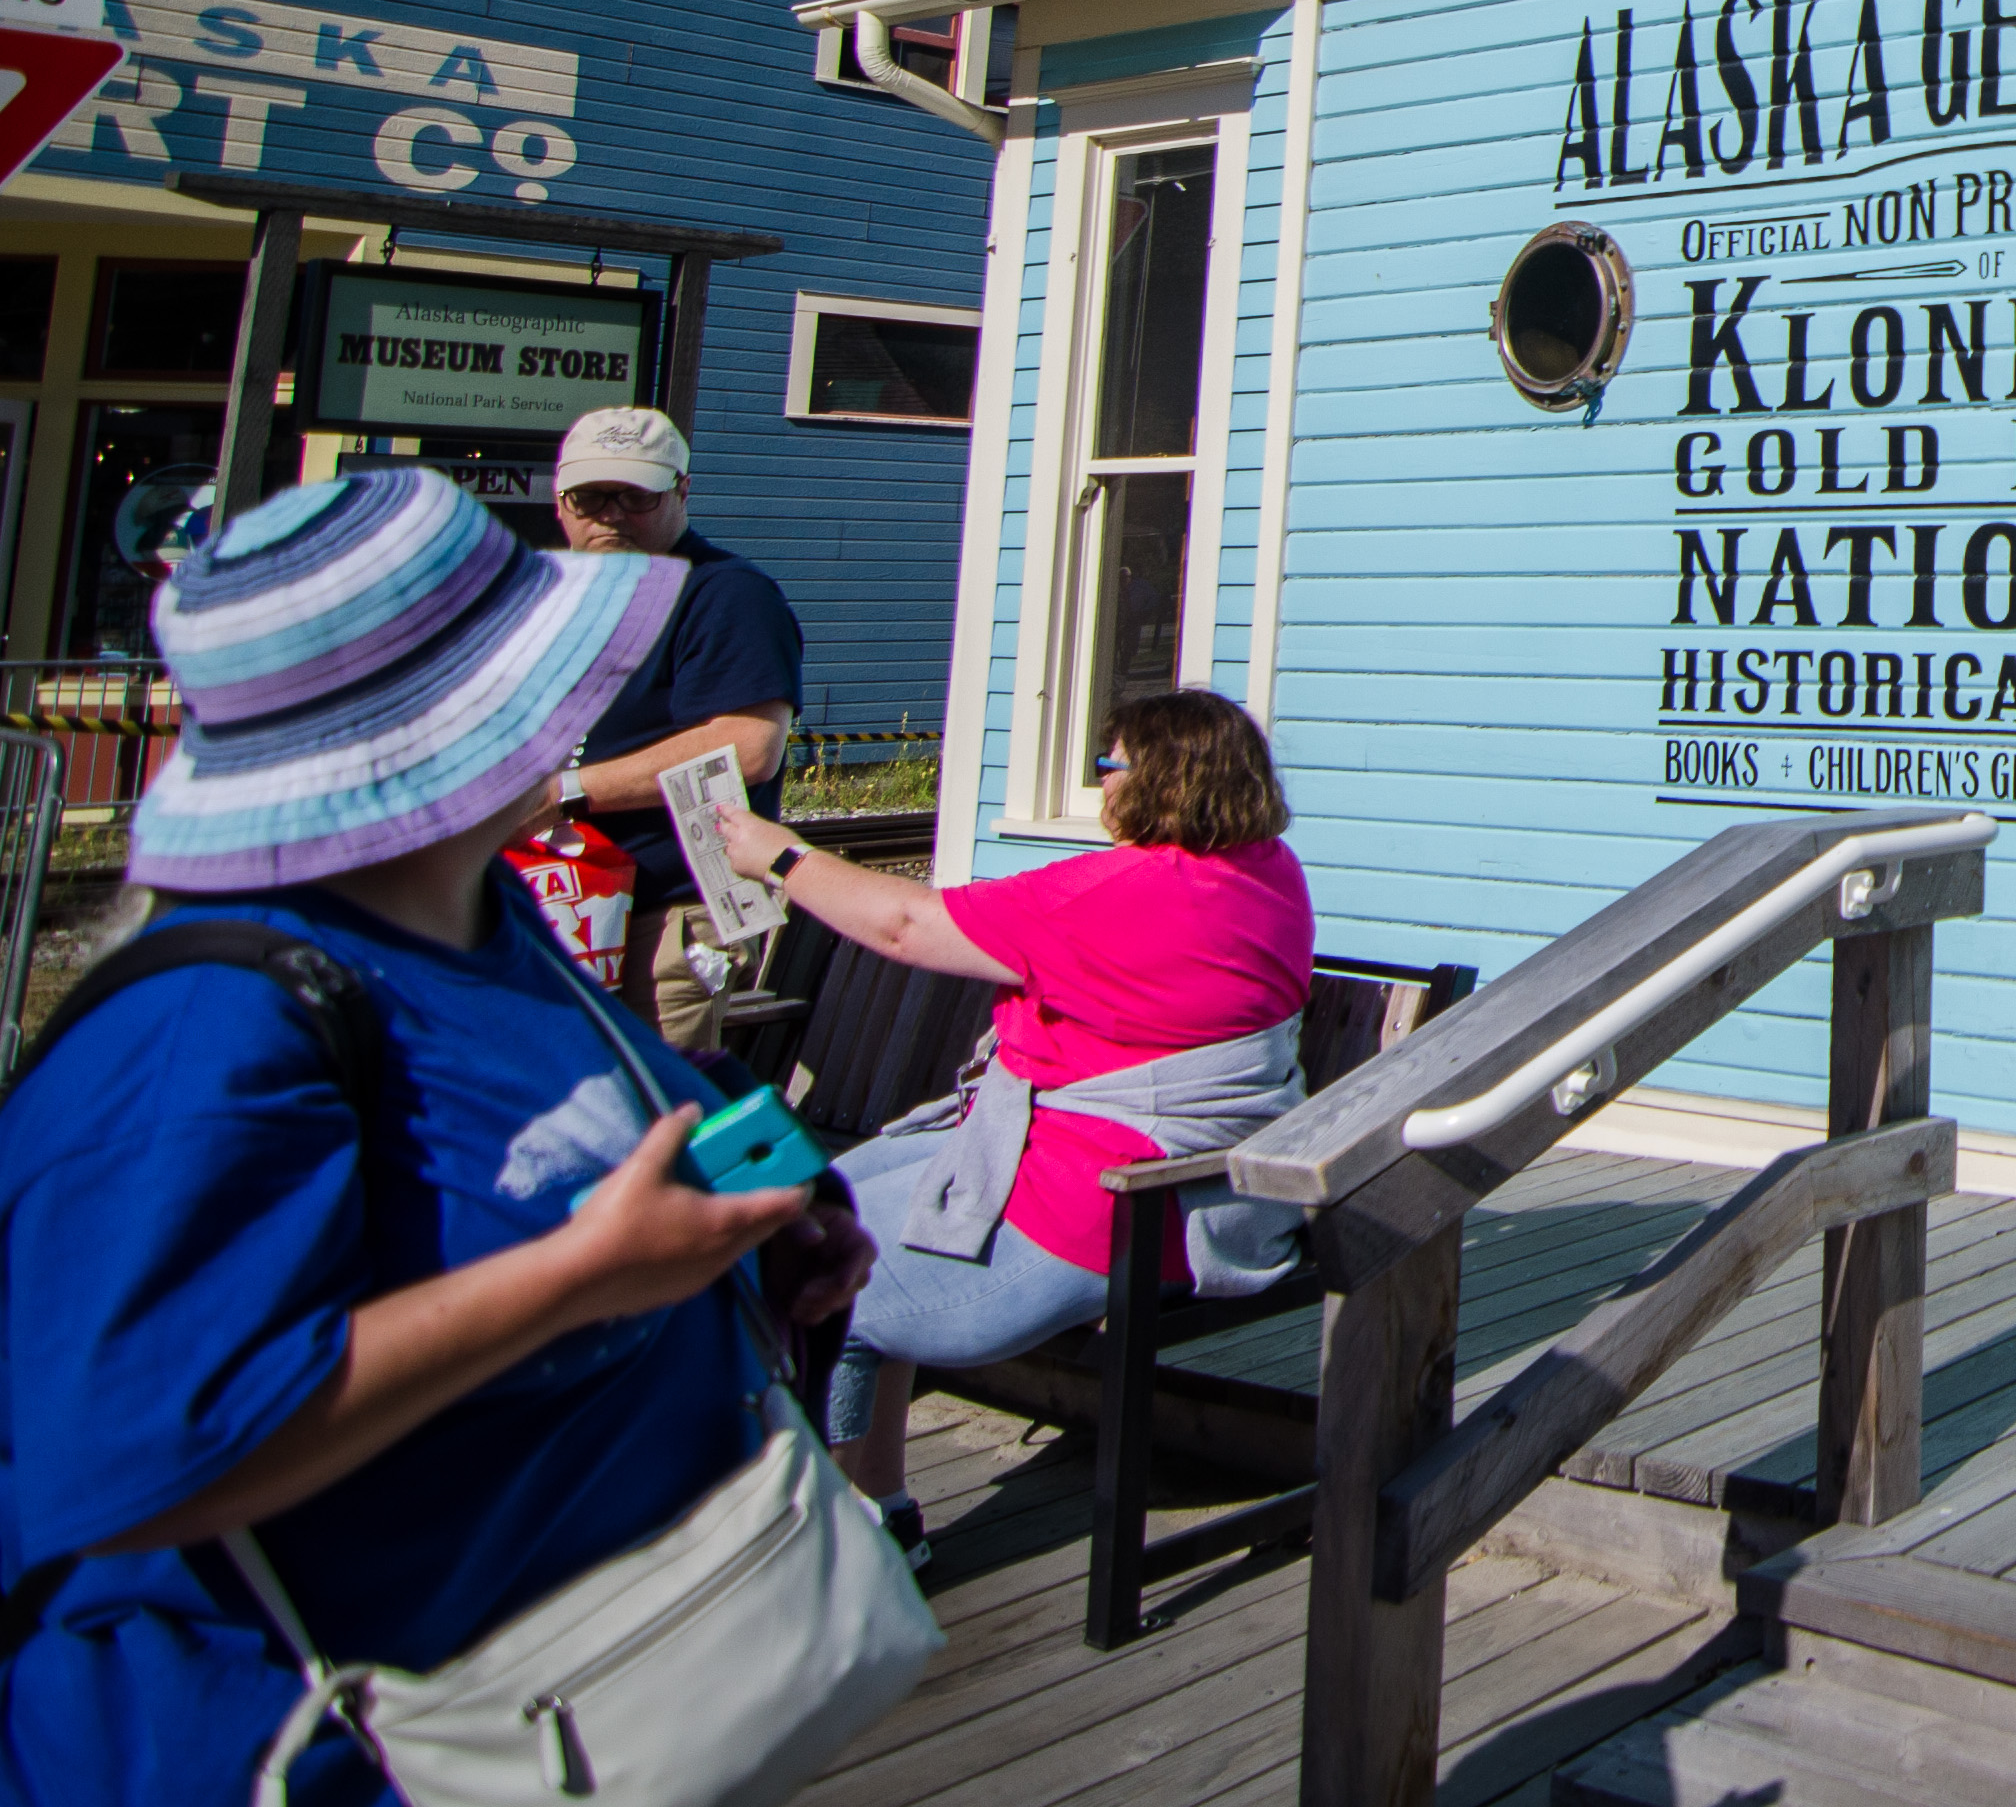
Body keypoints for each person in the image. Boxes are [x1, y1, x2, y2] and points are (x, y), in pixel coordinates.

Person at [0, 467, 876, 1803]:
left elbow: (540, 1141)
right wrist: (583, 1276)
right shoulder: (201, 1028)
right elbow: (135, 1457)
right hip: (301, 1747)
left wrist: (758, 1231)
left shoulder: (481, 915)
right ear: (443, 732)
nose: (583, 708)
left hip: (582, 1689)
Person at [712, 688, 1313, 1543]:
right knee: (832, 1190)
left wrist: (783, 857)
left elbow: (904, 925)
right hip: (1191, 1190)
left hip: (1100, 1202)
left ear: (1157, 781)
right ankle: (882, 1514)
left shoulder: (1120, 891)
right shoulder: (1265, 873)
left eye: (1108, 766)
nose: (1100, 784)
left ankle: (831, 1543)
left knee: (808, 1278)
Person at [546, 404, 805, 1039]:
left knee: (655, 1109)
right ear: (560, 502)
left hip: (670, 911)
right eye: (590, 496)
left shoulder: (726, 593)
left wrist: (561, 793)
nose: (610, 513)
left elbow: (747, 749)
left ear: (681, 490)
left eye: (634, 495)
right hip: (562, 899)